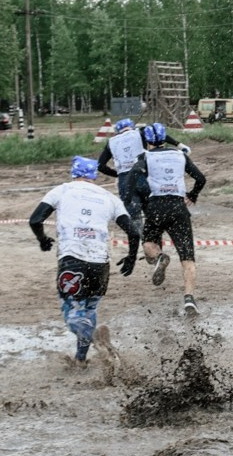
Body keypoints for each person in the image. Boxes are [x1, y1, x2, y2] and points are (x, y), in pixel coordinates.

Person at [28, 156, 141, 364]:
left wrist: (43, 240)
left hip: (73, 259)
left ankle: (95, 338)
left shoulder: (62, 190)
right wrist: (131, 258)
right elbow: (133, 232)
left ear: (74, 172)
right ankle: (81, 359)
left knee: (73, 313)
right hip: (101, 264)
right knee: (89, 310)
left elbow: (35, 220)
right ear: (94, 176)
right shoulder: (109, 197)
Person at [128, 122, 206, 314]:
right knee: (187, 258)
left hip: (156, 207)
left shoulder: (145, 156)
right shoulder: (180, 155)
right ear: (164, 138)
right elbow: (200, 178)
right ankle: (189, 299)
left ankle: (160, 257)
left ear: (147, 141)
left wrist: (135, 197)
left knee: (148, 243)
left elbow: (133, 176)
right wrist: (193, 195)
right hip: (178, 207)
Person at [96, 118, 148, 237]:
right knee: (151, 212)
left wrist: (117, 174)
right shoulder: (139, 134)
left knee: (134, 217)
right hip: (142, 175)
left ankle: (139, 240)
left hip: (125, 179)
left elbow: (100, 166)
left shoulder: (112, 142)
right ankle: (153, 242)